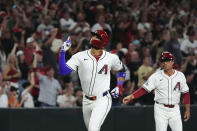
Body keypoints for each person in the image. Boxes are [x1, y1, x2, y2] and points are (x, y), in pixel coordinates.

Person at [59, 30, 126, 131]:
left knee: (93, 128)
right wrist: (63, 52)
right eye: (93, 35)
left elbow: (122, 70)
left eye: (97, 36)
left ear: (103, 42)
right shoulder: (80, 56)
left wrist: (119, 86)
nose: (93, 37)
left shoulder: (111, 57)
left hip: (102, 99)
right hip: (86, 100)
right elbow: (63, 71)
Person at [123, 51, 190, 131]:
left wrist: (187, 110)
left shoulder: (180, 76)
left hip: (175, 109)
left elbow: (186, 93)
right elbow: (144, 89)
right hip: (160, 109)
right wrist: (131, 96)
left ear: (172, 62)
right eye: (162, 61)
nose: (164, 63)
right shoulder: (156, 76)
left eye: (167, 61)